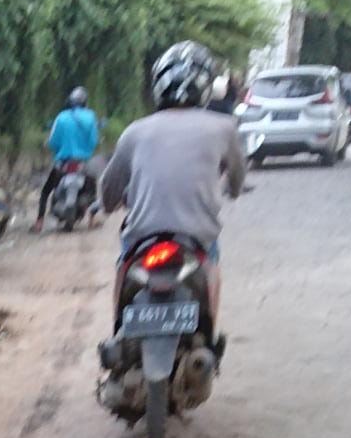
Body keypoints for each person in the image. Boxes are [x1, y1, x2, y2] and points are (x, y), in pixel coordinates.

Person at [100, 41, 245, 330]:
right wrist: (233, 187)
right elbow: (238, 177)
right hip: (197, 240)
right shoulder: (223, 128)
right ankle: (208, 337)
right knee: (212, 268)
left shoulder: (134, 132)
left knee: (123, 268)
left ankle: (118, 331)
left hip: (142, 240)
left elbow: (107, 195)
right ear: (205, 87)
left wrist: (113, 201)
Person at [34, 86, 100, 232]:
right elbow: (94, 141)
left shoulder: (60, 118)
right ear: (84, 102)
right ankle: (93, 218)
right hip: (83, 162)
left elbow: (53, 142)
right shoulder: (90, 117)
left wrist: (58, 150)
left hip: (63, 163)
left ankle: (39, 222)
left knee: (46, 190)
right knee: (93, 186)